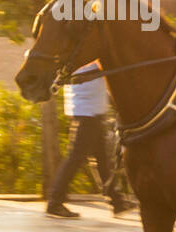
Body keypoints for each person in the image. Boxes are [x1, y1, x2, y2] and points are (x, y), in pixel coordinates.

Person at [46, 61, 131, 218]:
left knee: (102, 159)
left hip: (91, 110)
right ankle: (54, 202)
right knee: (75, 158)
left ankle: (116, 202)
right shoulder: (88, 57)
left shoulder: (82, 56)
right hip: (87, 111)